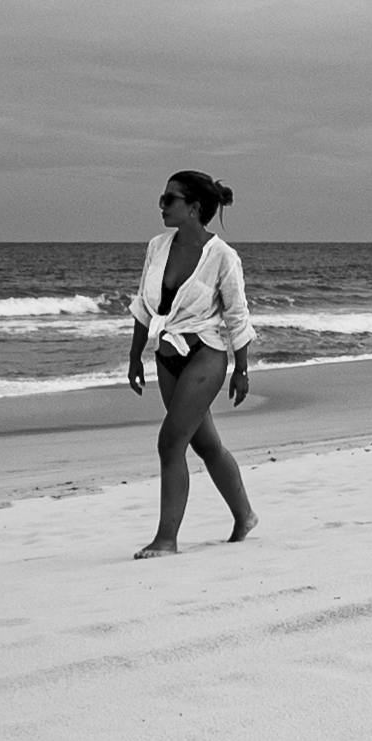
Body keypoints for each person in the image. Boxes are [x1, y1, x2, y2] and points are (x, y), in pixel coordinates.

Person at [125, 170, 258, 556]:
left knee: (170, 442)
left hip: (206, 355)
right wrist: (135, 356)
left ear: (194, 208)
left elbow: (237, 315)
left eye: (170, 199)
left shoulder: (223, 257)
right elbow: (142, 305)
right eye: (162, 198)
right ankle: (245, 514)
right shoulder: (157, 246)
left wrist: (242, 369)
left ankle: (166, 539)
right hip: (166, 356)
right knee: (206, 445)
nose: (161, 205)